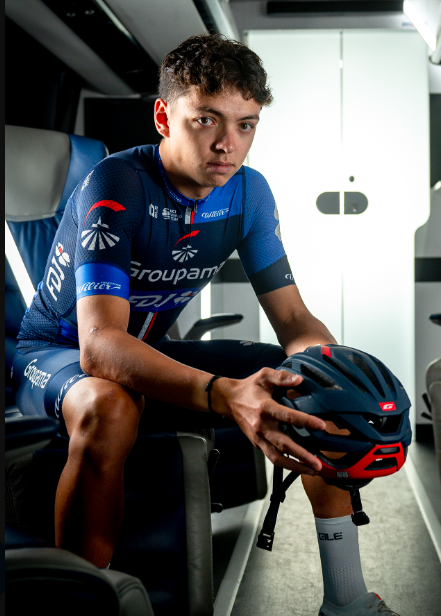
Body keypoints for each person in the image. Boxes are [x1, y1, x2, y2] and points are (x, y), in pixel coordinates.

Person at [12, 34, 399, 616]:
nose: (227, 144)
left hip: (143, 348)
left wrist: (334, 374)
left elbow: (293, 317)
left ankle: (348, 600)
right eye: (206, 120)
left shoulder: (249, 193)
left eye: (246, 125)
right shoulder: (118, 184)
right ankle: (81, 604)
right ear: (164, 118)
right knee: (108, 406)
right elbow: (99, 347)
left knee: (310, 381)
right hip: (53, 353)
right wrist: (224, 395)